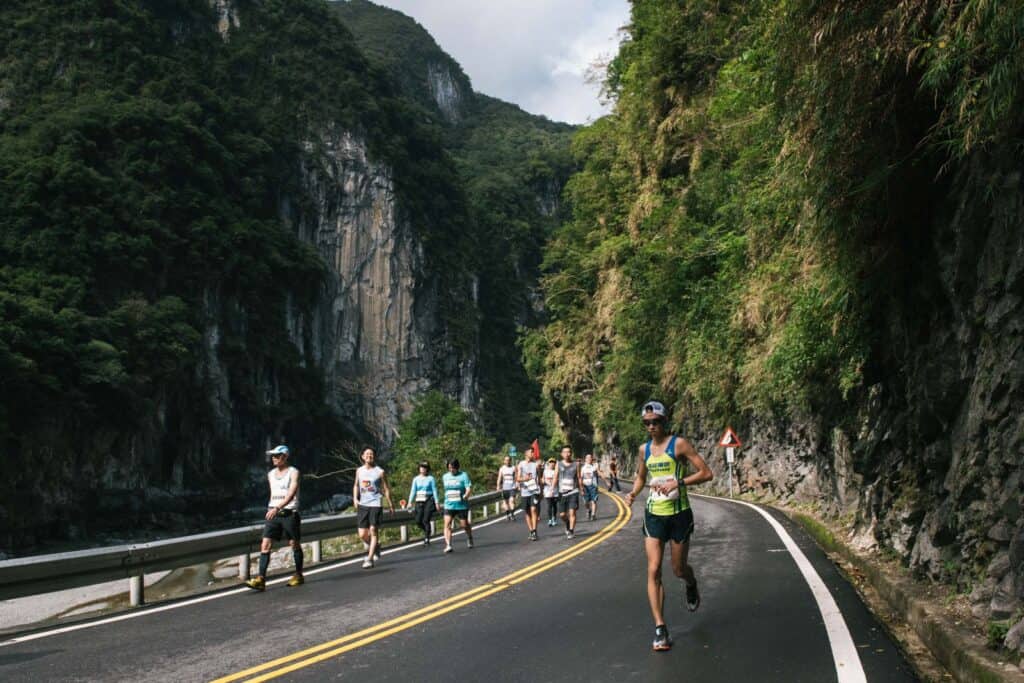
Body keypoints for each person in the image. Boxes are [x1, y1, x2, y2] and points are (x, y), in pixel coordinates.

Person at [624, 400, 713, 652]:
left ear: (664, 421)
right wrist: (632, 493)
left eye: (655, 422)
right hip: (654, 515)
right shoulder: (644, 450)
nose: (651, 426)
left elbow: (706, 473)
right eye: (646, 423)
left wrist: (679, 483)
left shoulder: (679, 444)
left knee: (678, 569)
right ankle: (660, 628)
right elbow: (642, 476)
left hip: (679, 515)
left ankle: (691, 583)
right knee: (653, 570)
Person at [245, 445, 303, 591]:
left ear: (285, 456)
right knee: (265, 545)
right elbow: (273, 493)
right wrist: (272, 508)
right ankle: (261, 579)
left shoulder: (293, 472)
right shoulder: (270, 474)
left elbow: (291, 493)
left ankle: (298, 575)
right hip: (273, 513)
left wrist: (278, 507)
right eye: (273, 456)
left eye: (277, 455)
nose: (274, 458)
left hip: (289, 513)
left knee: (294, 544)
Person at [352, 447, 394, 569]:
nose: (369, 456)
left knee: (373, 530)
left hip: (376, 504)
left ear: (374, 456)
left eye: (371, 454)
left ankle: (369, 559)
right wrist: (355, 498)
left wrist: (390, 503)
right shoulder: (359, 471)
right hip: (363, 504)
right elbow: (355, 485)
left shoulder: (380, 471)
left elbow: (386, 488)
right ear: (363, 456)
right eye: (367, 454)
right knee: (362, 534)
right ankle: (376, 546)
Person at [441, 458, 474, 553]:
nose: (451, 470)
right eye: (449, 468)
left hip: (461, 505)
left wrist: (466, 495)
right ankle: (448, 545)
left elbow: (468, 488)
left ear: (457, 467)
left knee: (464, 524)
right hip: (449, 505)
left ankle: (469, 537)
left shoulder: (464, 475)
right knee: (447, 524)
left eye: (453, 468)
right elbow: (447, 490)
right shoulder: (445, 477)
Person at [407, 461, 440, 545]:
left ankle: (426, 538)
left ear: (427, 469)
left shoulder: (431, 478)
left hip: (429, 500)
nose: (423, 469)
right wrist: (410, 502)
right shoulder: (416, 479)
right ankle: (427, 530)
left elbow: (434, 490)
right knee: (418, 520)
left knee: (426, 520)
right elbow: (413, 491)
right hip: (419, 501)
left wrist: (436, 502)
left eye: (424, 467)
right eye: (421, 467)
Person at [516, 448, 542, 540]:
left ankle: (534, 531)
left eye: (533, 452)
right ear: (526, 453)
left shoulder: (536, 465)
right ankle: (531, 531)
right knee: (527, 512)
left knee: (533, 509)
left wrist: (541, 491)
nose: (533, 454)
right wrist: (525, 479)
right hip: (525, 491)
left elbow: (539, 478)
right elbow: (518, 478)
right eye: (531, 452)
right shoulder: (521, 464)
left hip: (534, 491)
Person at [556, 446, 582, 539]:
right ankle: (567, 523)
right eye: (565, 452)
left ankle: (571, 530)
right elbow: (555, 477)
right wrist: (552, 489)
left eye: (569, 452)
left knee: (572, 512)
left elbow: (579, 477)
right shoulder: (558, 464)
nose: (567, 454)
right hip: (562, 492)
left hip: (573, 491)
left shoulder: (576, 464)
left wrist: (581, 489)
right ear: (562, 454)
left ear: (571, 453)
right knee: (562, 514)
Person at [580, 453, 605, 521]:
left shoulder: (594, 467)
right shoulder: (583, 468)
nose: (589, 459)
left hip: (593, 486)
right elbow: (581, 478)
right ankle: (588, 510)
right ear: (585, 459)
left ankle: (593, 515)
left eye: (590, 458)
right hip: (585, 486)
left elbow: (599, 473)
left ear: (592, 459)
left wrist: (606, 481)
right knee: (586, 502)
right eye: (587, 458)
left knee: (594, 501)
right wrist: (581, 487)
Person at [495, 455, 517, 521]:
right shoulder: (502, 469)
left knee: (512, 501)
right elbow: (499, 478)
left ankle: (512, 514)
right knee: (506, 503)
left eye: (509, 460)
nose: (507, 461)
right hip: (505, 488)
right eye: (506, 460)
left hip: (512, 487)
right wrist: (498, 486)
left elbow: (516, 477)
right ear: (504, 461)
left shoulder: (513, 468)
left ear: (510, 461)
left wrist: (517, 484)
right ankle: (507, 515)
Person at [542, 457, 559, 527]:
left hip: (555, 490)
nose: (552, 464)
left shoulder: (556, 471)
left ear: (555, 464)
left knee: (554, 505)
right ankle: (550, 519)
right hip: (547, 490)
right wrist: (544, 481)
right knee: (549, 505)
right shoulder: (545, 471)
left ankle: (554, 518)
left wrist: (554, 483)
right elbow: (542, 479)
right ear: (548, 463)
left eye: (553, 462)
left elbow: (558, 480)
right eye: (550, 462)